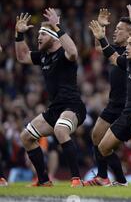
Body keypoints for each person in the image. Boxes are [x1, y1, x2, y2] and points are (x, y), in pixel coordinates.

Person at [84, 7, 131, 186]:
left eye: (119, 29)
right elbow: (99, 48)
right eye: (114, 29)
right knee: (97, 136)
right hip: (115, 102)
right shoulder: (117, 51)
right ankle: (106, 176)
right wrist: (101, 26)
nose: (115, 31)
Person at [14, 9, 86, 187]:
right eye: (38, 34)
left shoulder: (64, 54)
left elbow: (74, 52)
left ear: (54, 37)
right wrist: (18, 35)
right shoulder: (44, 56)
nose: (38, 37)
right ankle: (44, 180)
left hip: (72, 107)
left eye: (42, 34)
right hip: (55, 109)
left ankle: (76, 179)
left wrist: (57, 26)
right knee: (26, 137)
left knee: (61, 130)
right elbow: (22, 57)